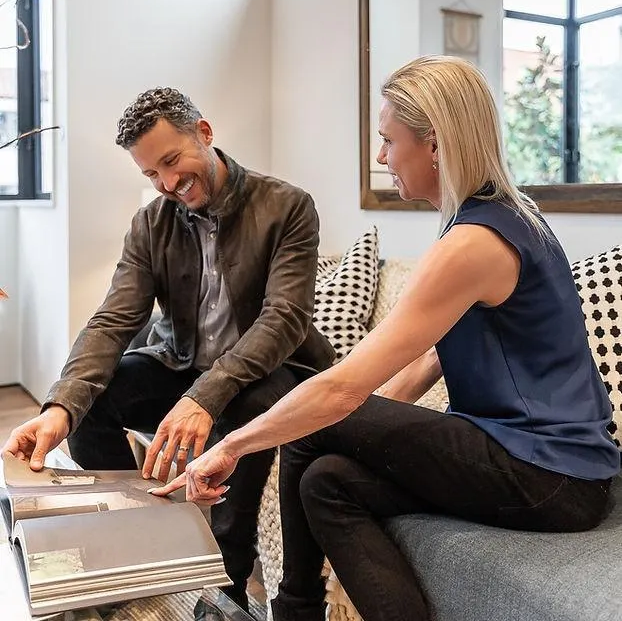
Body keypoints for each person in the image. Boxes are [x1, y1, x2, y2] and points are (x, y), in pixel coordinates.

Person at [152, 57, 620, 621]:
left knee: (312, 423)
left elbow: (340, 391)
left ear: (435, 144)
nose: (381, 157)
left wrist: (231, 446)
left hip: (549, 472)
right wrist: (363, 431)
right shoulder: (499, 218)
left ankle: (294, 612)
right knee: (327, 480)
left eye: (388, 140)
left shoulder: (474, 243)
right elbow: (430, 357)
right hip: (546, 467)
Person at [2, 87, 335, 614]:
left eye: (172, 161)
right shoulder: (150, 223)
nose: (167, 182)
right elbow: (114, 319)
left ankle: (226, 582)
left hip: (272, 371)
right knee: (93, 403)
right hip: (184, 363)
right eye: (151, 173)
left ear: (204, 133)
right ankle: (139, 537)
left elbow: (284, 319)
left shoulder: (287, 205)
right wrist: (59, 407)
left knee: (248, 407)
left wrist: (204, 397)